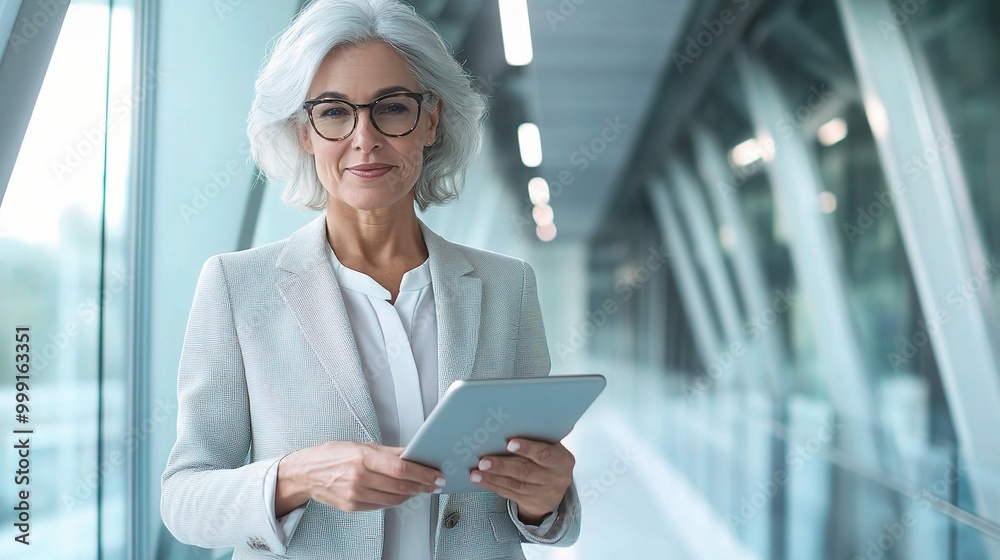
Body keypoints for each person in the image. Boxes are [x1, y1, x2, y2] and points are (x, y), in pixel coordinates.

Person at [159, 0, 581, 558]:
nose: (365, 138)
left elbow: (538, 496)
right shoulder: (238, 289)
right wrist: (298, 477)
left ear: (431, 120)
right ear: (303, 131)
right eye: (334, 112)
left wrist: (546, 498)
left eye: (393, 108)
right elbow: (183, 499)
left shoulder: (508, 287)